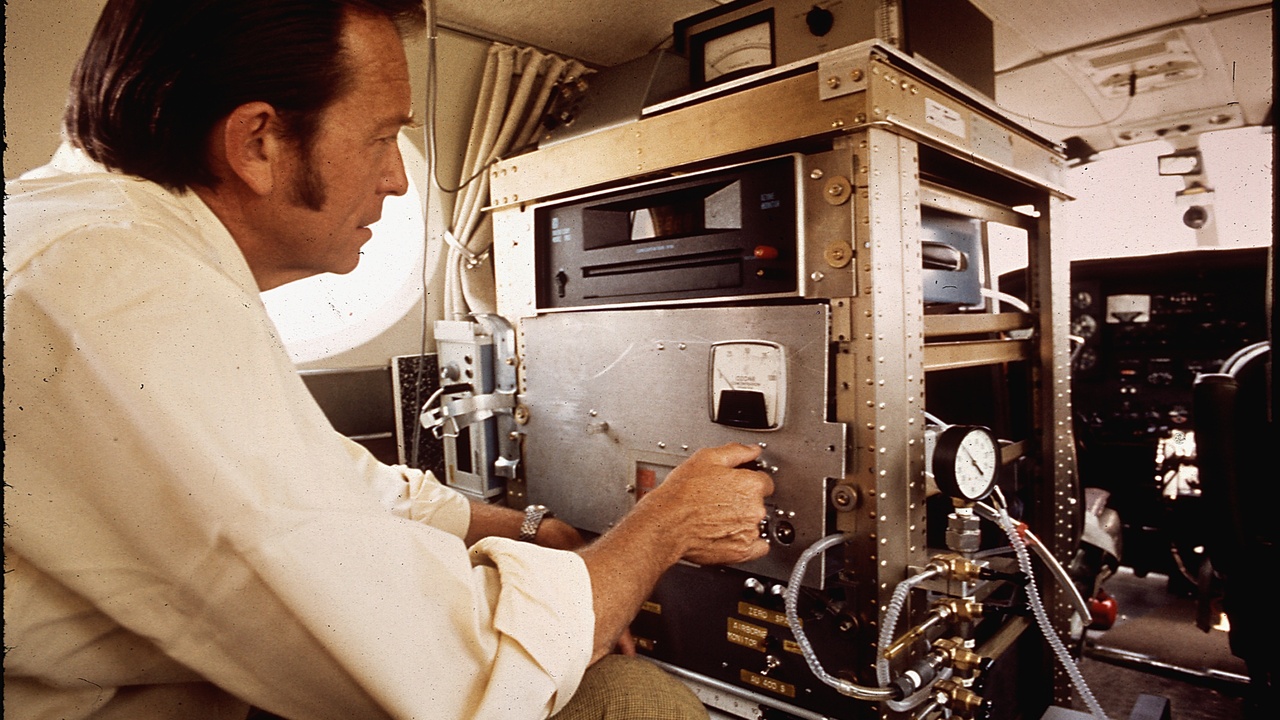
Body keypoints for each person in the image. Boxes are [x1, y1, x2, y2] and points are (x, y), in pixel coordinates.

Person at [2, 1, 775, 718]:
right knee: (631, 699)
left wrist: (530, 526)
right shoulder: (118, 288)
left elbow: (326, 488)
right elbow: (464, 675)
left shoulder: (100, 247)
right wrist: (665, 527)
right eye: (380, 138)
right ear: (257, 142)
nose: (399, 178)